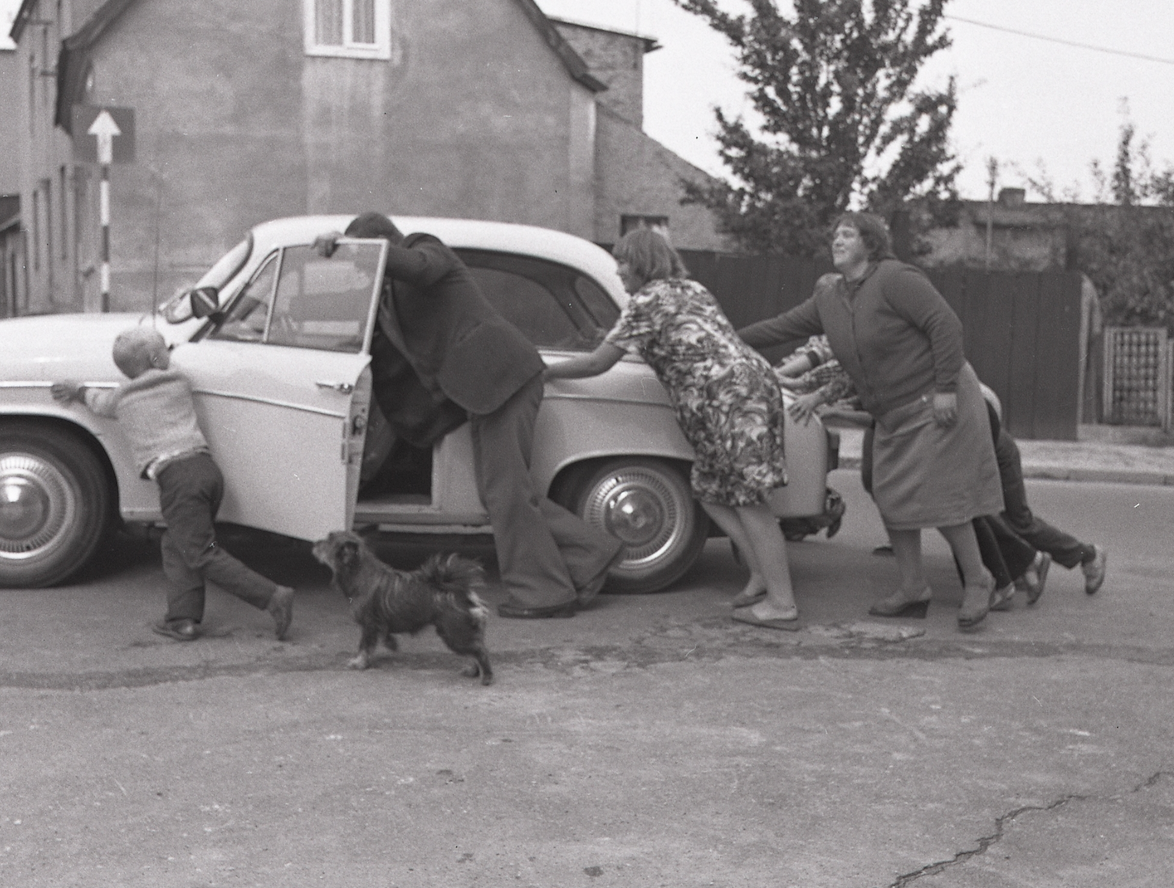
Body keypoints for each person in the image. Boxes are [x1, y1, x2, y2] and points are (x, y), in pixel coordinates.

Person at [314, 213, 622, 620]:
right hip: (486, 387)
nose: (361, 269)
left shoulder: (425, 247)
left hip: (502, 377)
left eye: (365, 256)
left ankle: (543, 593)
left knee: (507, 492)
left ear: (382, 242)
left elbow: (421, 268)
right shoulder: (392, 287)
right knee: (500, 492)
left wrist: (354, 248)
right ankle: (592, 552)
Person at [739, 212, 1003, 629]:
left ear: (871, 242)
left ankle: (978, 579)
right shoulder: (830, 297)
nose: (837, 240)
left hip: (935, 401)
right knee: (890, 496)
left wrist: (946, 388)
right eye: (834, 234)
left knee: (943, 498)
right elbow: (780, 327)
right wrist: (728, 338)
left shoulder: (895, 279)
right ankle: (914, 587)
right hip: (892, 413)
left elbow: (945, 325)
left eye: (847, 233)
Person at [545, 228, 800, 629]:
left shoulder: (645, 302)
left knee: (749, 499)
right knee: (711, 492)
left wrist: (545, 372)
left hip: (729, 398)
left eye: (624, 262)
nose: (618, 271)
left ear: (643, 263)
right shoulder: (692, 289)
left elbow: (598, 363)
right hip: (741, 390)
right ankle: (759, 575)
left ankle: (782, 604)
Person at [51, 326, 295, 642]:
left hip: (179, 481)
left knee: (202, 552)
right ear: (157, 359)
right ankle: (183, 620)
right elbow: (167, 363)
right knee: (178, 543)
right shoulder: (179, 381)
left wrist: (77, 389)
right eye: (166, 349)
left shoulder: (122, 397)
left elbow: (96, 402)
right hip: (205, 472)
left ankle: (272, 596)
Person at [986, 399, 1107, 600]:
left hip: (997, 454)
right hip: (986, 451)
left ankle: (1089, 555)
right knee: (994, 518)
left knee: (1019, 522)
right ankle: (1020, 568)